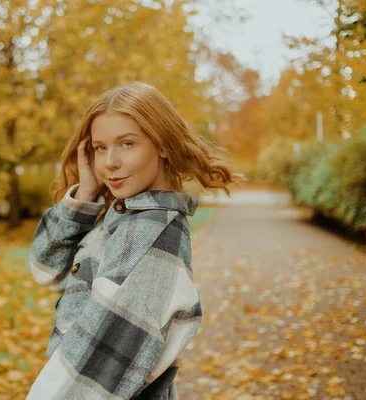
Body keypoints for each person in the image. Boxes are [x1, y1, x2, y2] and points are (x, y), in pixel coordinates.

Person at [27, 82, 233, 399]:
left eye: (126, 144)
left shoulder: (148, 236)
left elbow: (93, 381)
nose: (110, 162)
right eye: (100, 148)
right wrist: (84, 196)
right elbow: (47, 269)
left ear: (163, 145)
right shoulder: (124, 218)